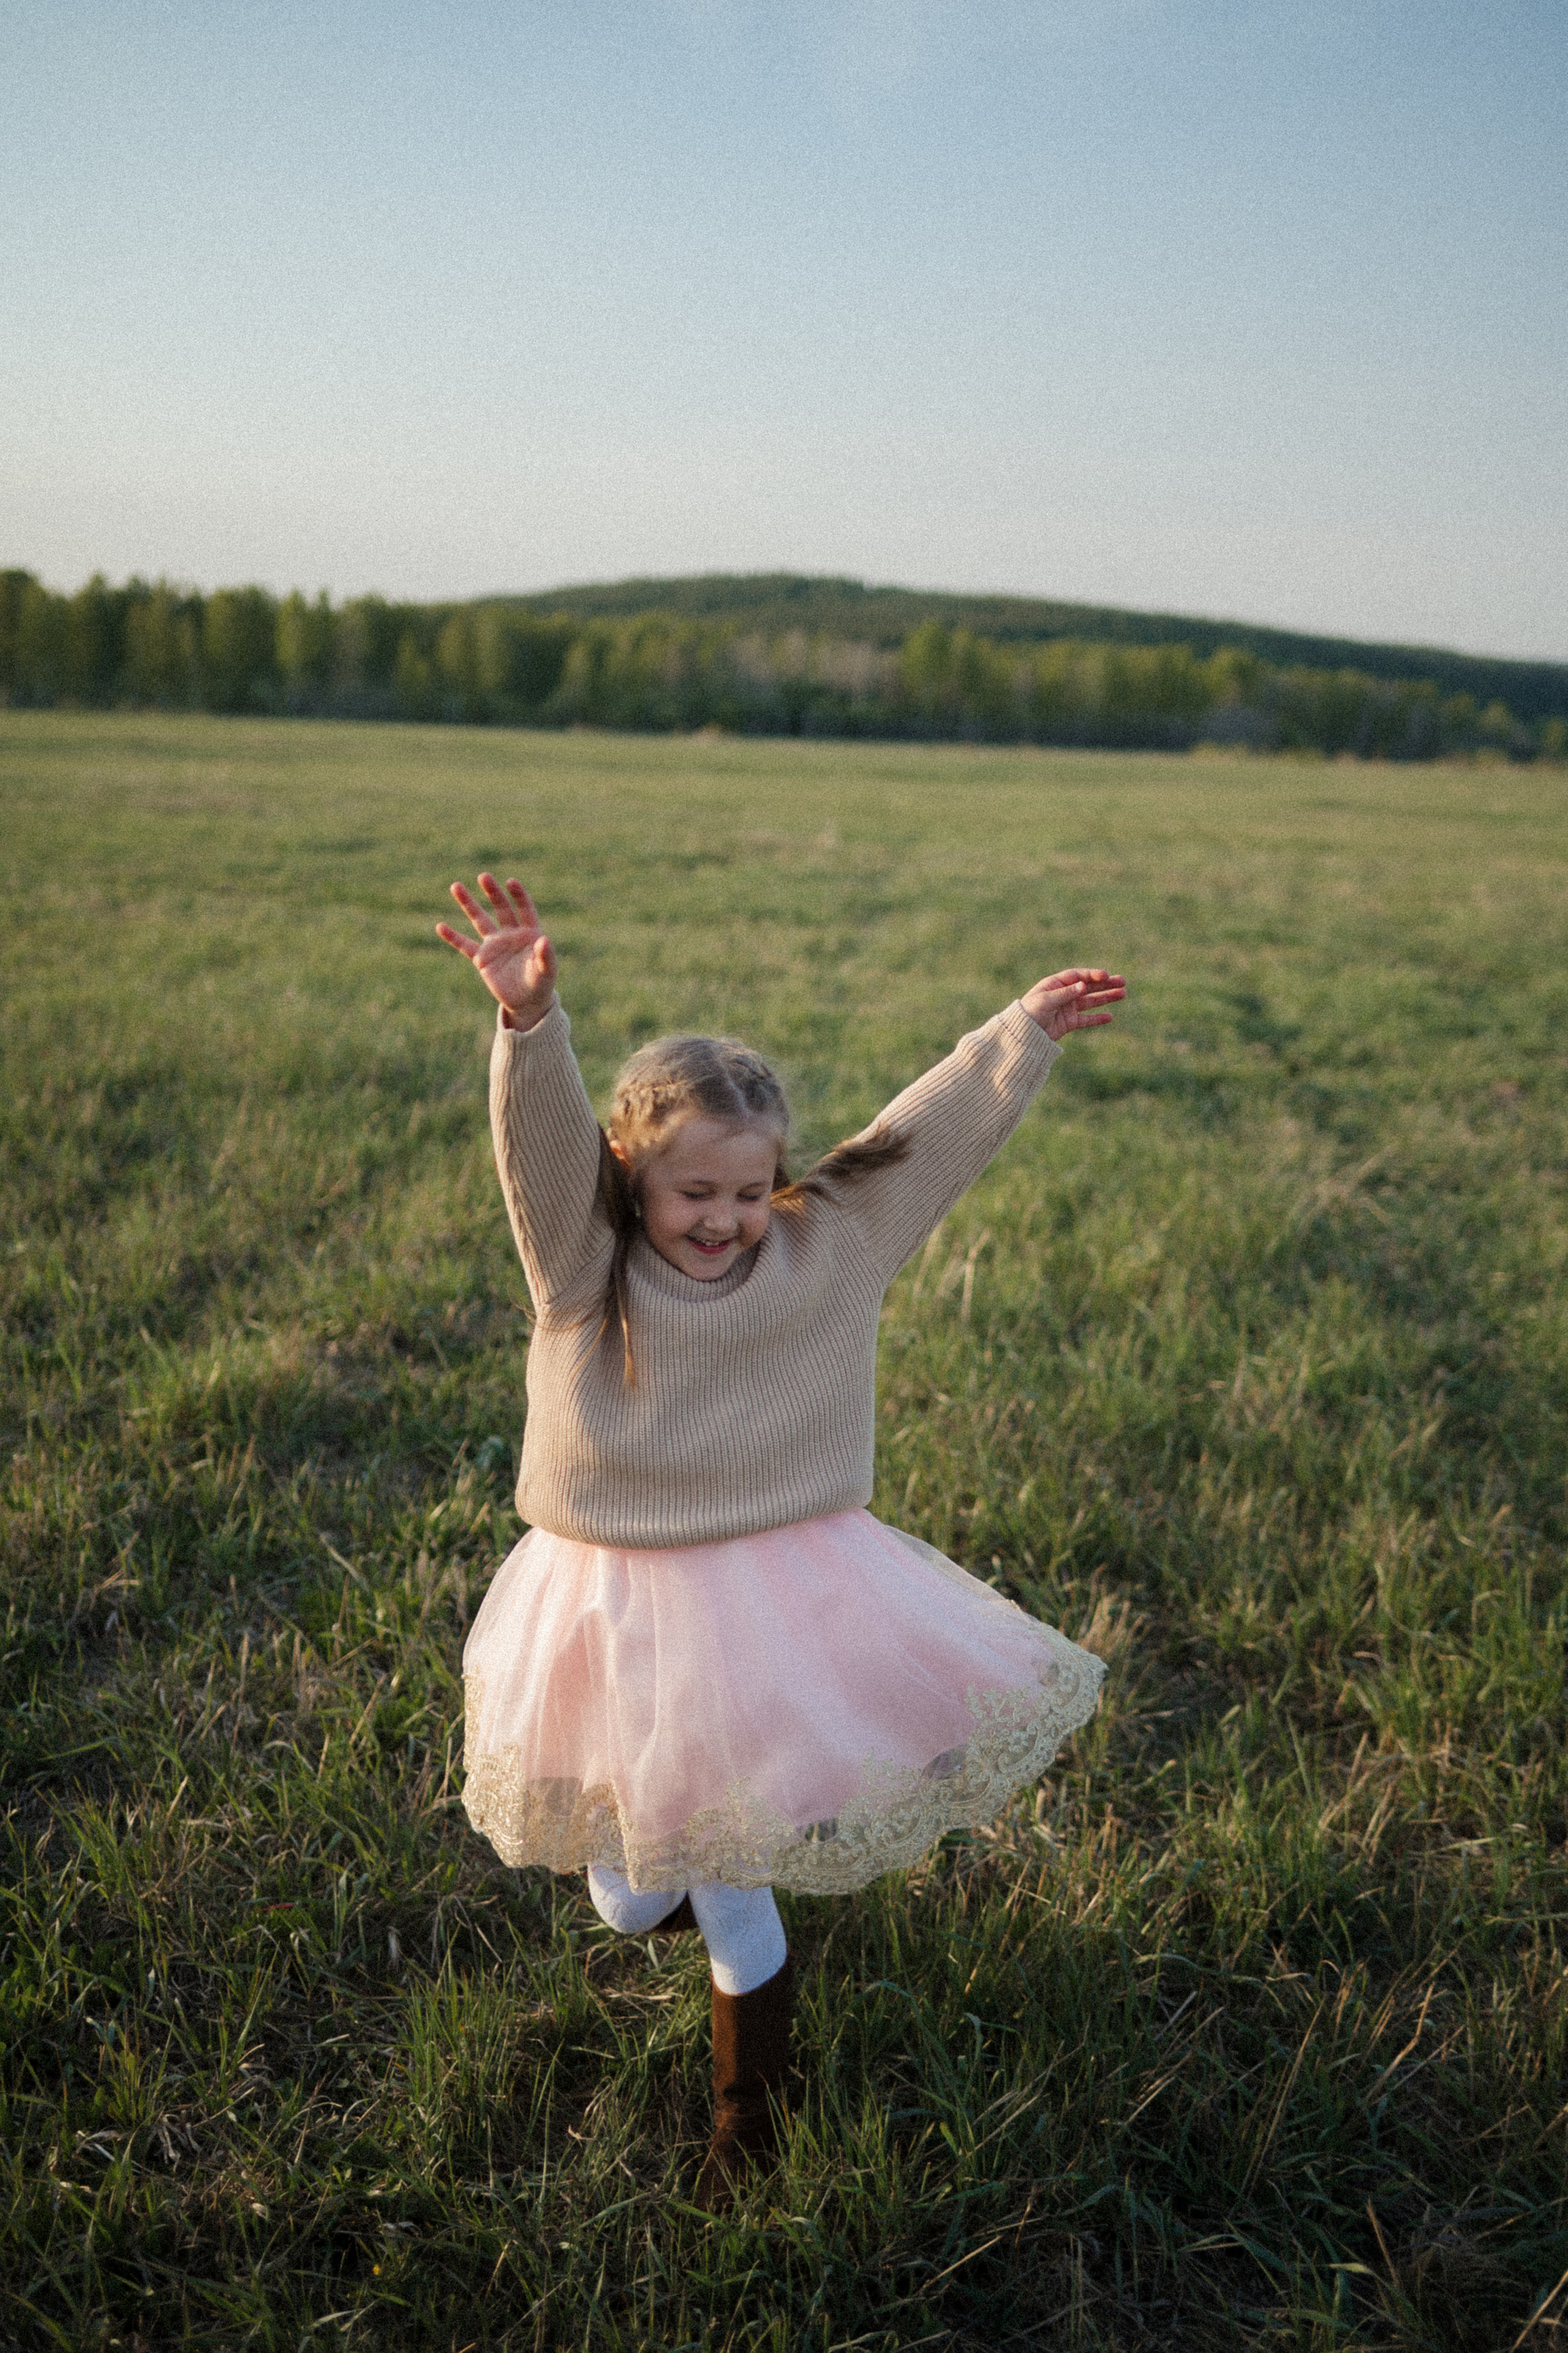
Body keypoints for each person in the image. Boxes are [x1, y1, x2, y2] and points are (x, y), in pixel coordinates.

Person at [436, 870, 1124, 2207]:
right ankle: (672, 1894)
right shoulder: (586, 1273)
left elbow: (917, 1142)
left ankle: (746, 2129)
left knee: (731, 1881)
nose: (722, 1219)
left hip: (768, 1597)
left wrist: (1020, 1031)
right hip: (609, 1599)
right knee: (632, 1898)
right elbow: (538, 1160)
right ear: (633, 1179)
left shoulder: (827, 1250)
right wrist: (530, 1029)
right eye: (693, 1191)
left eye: (747, 1192)